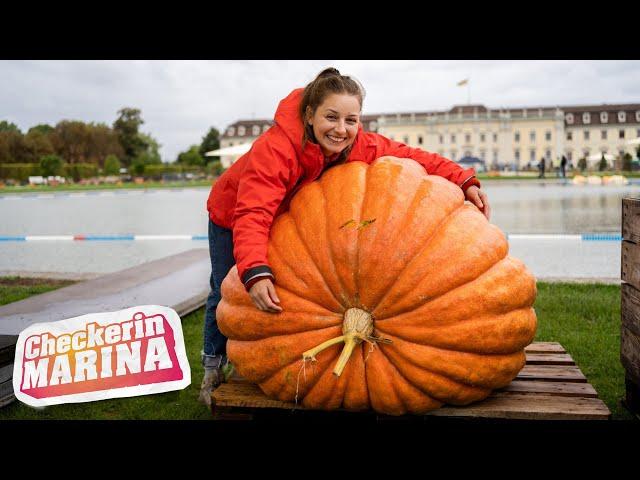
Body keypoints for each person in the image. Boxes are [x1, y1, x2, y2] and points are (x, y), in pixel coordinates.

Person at [198, 67, 491, 405]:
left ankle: (259, 356)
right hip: (233, 216)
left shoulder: (357, 145)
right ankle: (213, 366)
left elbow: (411, 156)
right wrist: (253, 269)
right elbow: (253, 212)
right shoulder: (277, 148)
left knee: (277, 294)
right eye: (331, 117)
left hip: (284, 220)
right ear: (310, 115)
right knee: (226, 291)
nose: (341, 129)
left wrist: (463, 179)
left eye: (351, 120)